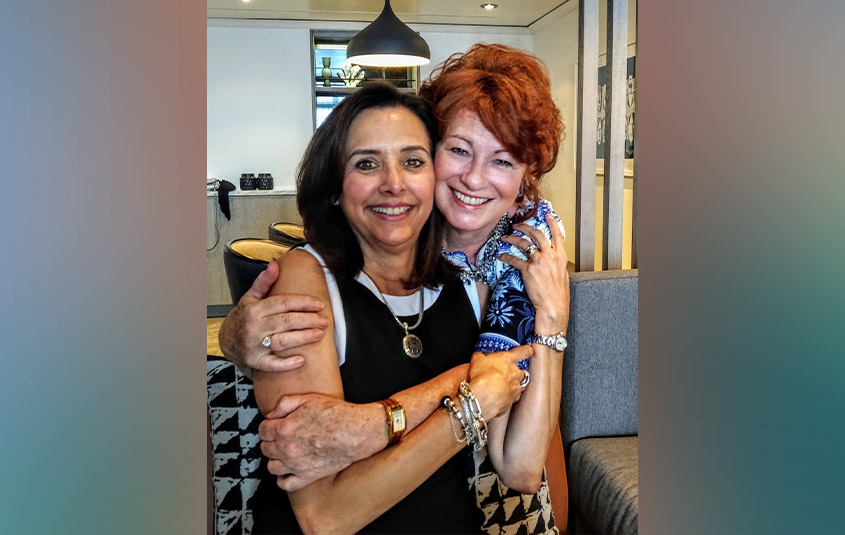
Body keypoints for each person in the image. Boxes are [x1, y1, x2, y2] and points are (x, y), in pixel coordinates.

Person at [221, 44, 570, 534]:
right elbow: (325, 517)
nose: (394, 184)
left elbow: (525, 466)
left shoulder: (492, 275)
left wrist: (553, 318)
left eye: (411, 161)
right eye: (367, 164)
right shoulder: (310, 279)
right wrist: (460, 393)